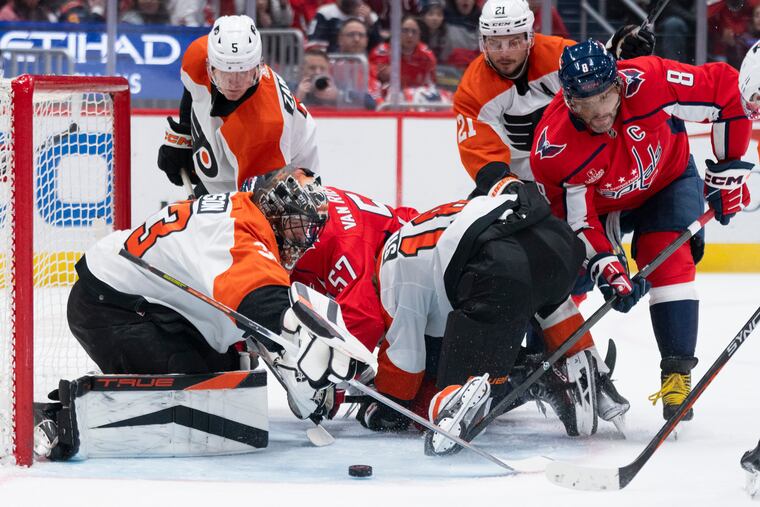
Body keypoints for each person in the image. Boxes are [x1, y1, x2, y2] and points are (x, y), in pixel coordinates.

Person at [35, 171, 369, 460]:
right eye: (296, 227)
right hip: (109, 305)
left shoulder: (244, 210)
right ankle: (60, 419)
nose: (302, 241)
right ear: (273, 209)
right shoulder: (237, 232)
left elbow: (251, 313)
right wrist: (307, 345)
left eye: (308, 231)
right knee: (188, 393)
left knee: (227, 380)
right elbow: (263, 303)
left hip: (155, 306)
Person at [530, 40, 753, 421]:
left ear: (619, 84)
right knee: (567, 277)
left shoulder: (652, 80)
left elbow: (728, 92)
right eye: (586, 103)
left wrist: (728, 171)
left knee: (666, 257)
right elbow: (578, 221)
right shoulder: (553, 148)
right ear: (567, 99)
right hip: (602, 211)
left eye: (605, 97)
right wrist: (604, 264)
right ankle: (546, 361)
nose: (599, 113)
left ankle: (677, 376)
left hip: (668, 181)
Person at [358, 180, 630, 444]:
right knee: (552, 303)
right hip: (555, 241)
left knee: (457, 398)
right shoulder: (415, 228)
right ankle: (595, 371)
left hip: (499, 270)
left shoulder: (390, 279)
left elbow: (403, 375)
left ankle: (538, 377)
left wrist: (381, 408)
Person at [453, 0, 654, 193]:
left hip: (579, 170)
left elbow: (596, 73)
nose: (504, 53)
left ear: (529, 37)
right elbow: (480, 152)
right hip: (521, 181)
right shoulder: (473, 88)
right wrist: (506, 187)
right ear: (483, 42)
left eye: (513, 42)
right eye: (495, 44)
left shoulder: (556, 54)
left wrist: (619, 50)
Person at [157, 15, 320, 195]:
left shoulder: (264, 127)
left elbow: (255, 209)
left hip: (286, 172)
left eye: (243, 73)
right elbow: (191, 88)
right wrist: (184, 133)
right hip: (245, 149)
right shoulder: (198, 54)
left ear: (259, 66)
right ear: (209, 65)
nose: (234, 83)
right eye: (226, 73)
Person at [293, 48, 376, 109]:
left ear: (328, 70)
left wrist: (339, 97)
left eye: (322, 68)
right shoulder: (292, 88)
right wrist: (297, 98)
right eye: (312, 68)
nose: (317, 72)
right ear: (302, 70)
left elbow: (370, 103)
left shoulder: (338, 86)